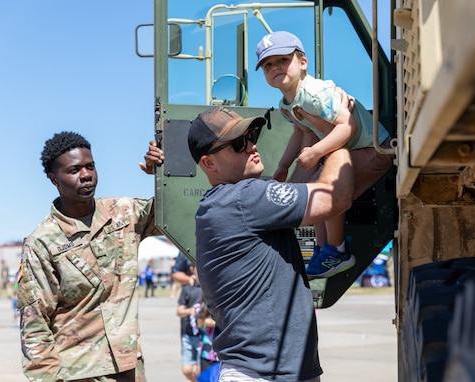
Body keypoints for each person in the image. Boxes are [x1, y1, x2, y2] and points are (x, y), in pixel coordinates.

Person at [146, 104, 354, 381]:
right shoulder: (243, 199)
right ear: (209, 163)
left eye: (252, 135)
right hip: (262, 374)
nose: (251, 146)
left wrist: (306, 134)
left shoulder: (226, 202)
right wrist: (337, 134)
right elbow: (334, 197)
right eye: (238, 143)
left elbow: (299, 185)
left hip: (278, 371)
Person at [17, 131, 161, 382]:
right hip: (77, 373)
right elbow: (35, 324)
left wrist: (163, 175)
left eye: (90, 166)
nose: (86, 175)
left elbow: (180, 212)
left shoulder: (124, 213)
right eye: (74, 170)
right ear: (54, 179)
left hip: (129, 370)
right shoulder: (42, 242)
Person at [255, 31, 394, 279]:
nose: (275, 67)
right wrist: (283, 166)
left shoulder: (315, 94)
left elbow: (347, 126)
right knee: (313, 190)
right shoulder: (287, 105)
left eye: (283, 60)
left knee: (328, 191)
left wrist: (316, 151)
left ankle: (338, 250)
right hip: (351, 150)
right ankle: (323, 248)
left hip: (374, 148)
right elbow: (301, 132)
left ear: (303, 62)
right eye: (268, 65)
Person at [176, 263, 203, 382]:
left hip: (202, 336)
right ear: (192, 269)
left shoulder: (206, 289)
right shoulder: (187, 290)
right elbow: (179, 311)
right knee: (186, 370)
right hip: (188, 335)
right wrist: (189, 311)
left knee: (199, 370)